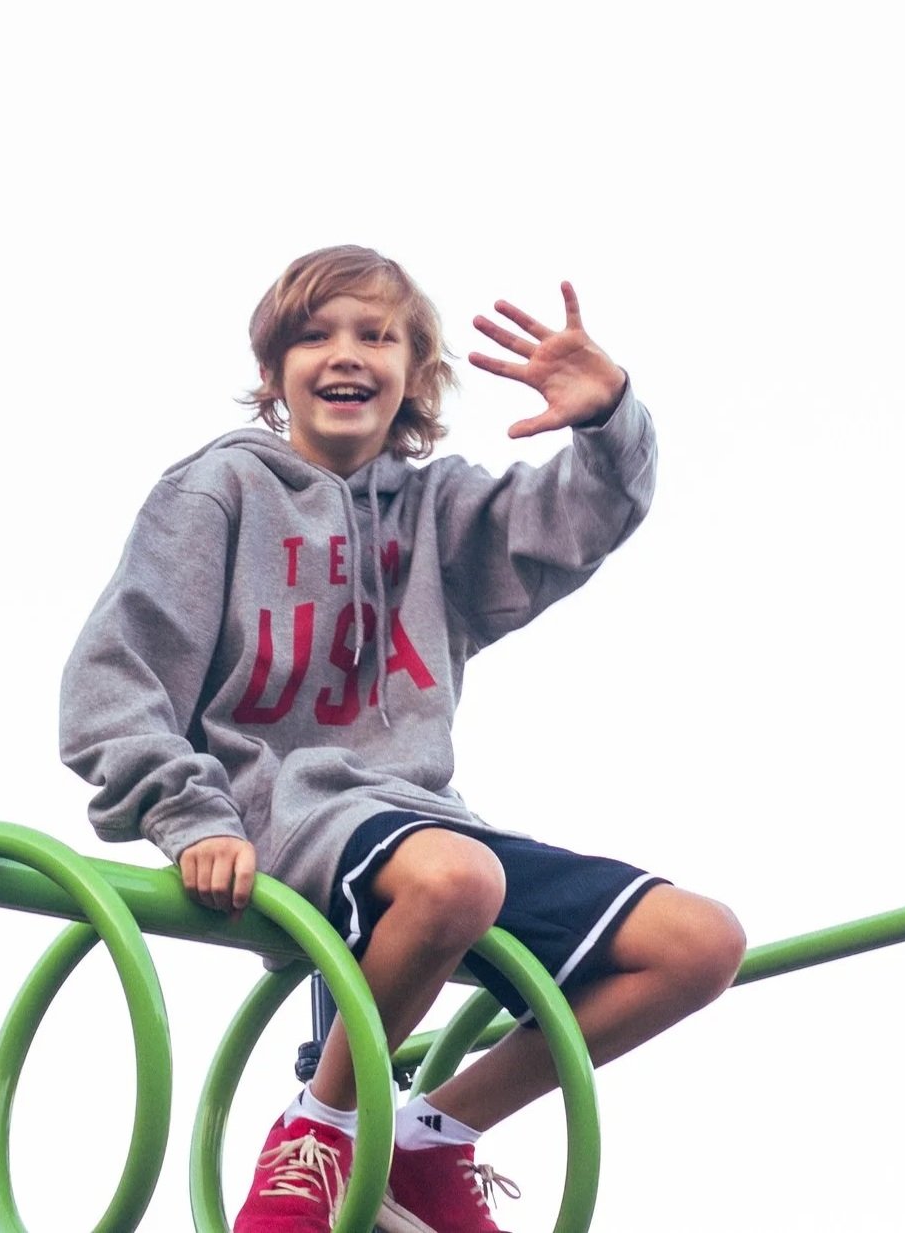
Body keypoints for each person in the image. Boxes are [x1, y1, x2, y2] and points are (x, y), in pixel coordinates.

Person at [61, 245, 746, 1233]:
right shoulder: (219, 492)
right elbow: (111, 684)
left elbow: (579, 517)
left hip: (421, 826)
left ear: (416, 378)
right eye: (315, 334)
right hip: (281, 810)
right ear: (272, 372)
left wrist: (607, 418)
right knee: (455, 878)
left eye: (376, 336)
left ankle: (424, 1137)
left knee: (699, 943)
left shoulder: (437, 510)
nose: (346, 354)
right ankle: (317, 1132)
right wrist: (191, 814)